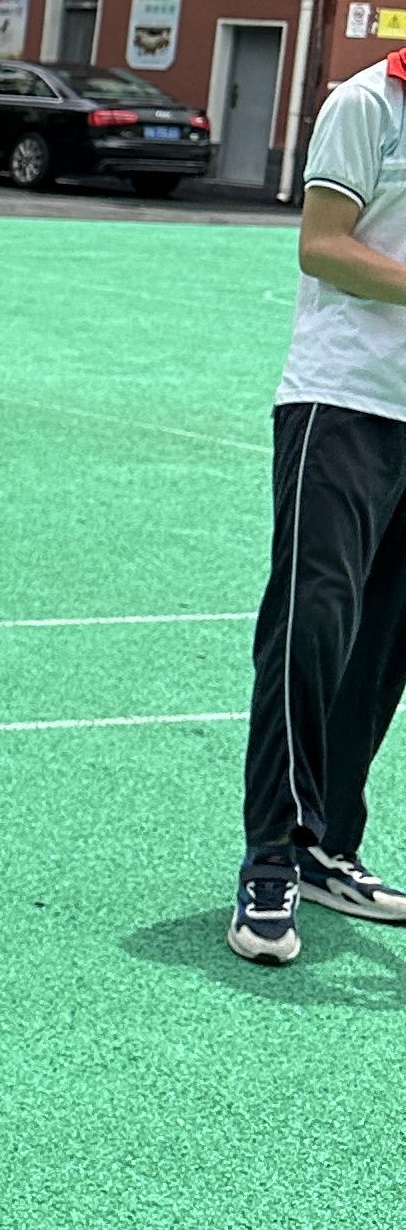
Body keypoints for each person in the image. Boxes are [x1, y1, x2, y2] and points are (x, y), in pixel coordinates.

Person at [229, 48, 406, 963]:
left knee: (383, 647)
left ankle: (330, 846)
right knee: (311, 628)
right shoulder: (368, 104)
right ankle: (271, 857)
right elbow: (323, 246)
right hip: (343, 403)